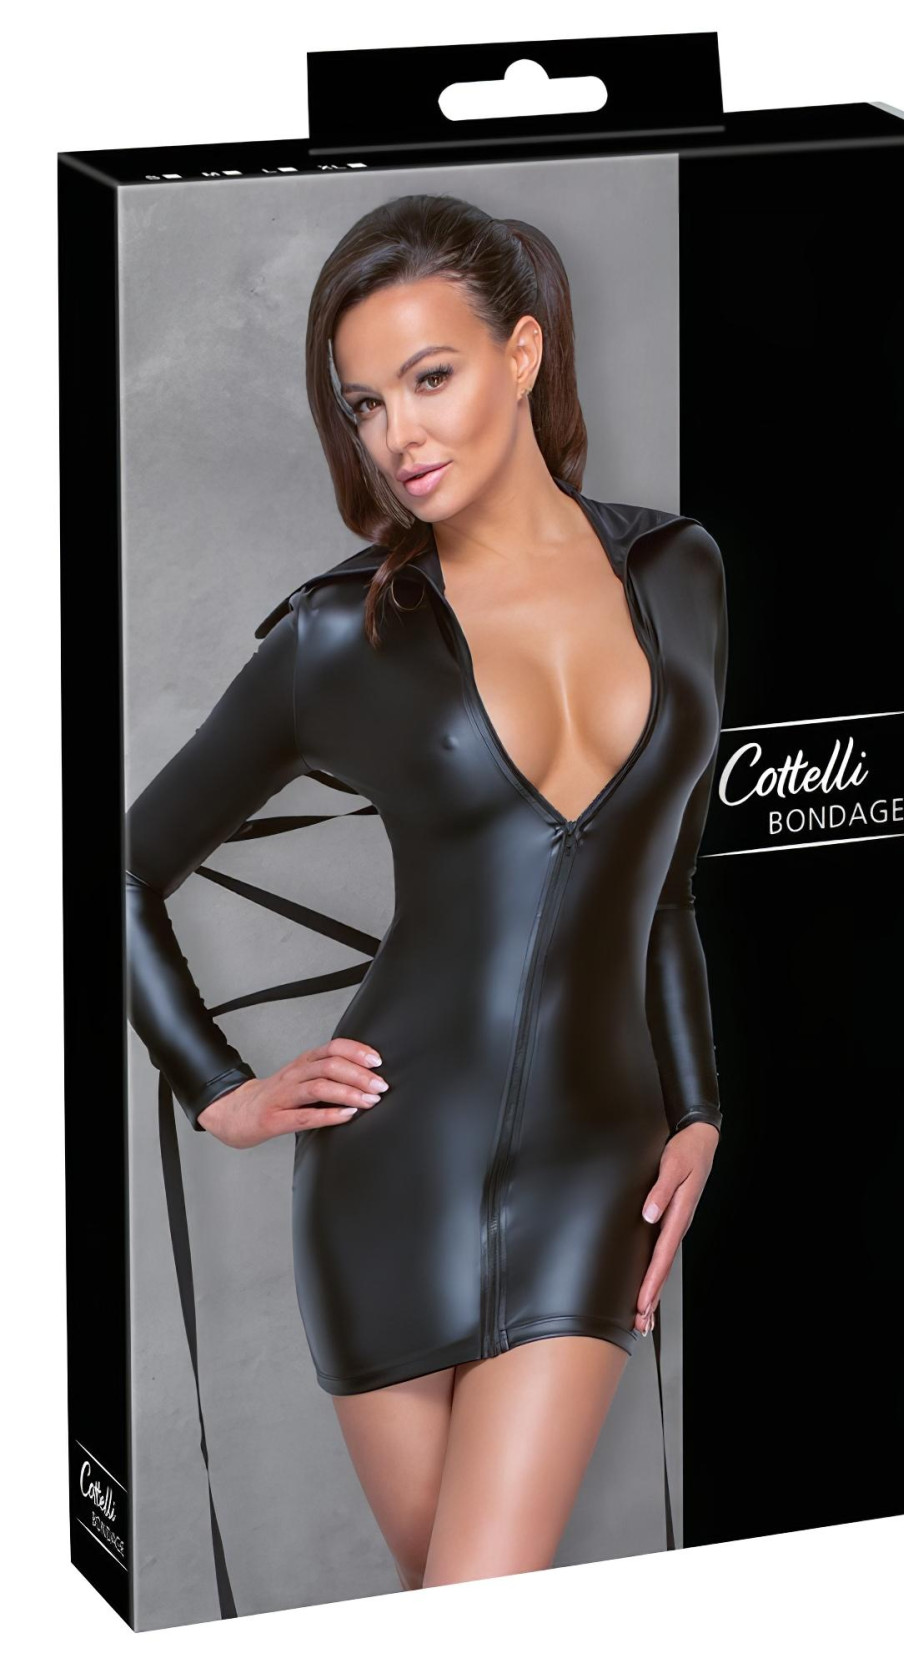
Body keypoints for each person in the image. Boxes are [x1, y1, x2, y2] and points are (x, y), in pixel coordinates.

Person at [126, 193, 728, 1590]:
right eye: (364, 404)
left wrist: (700, 1105)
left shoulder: (680, 571)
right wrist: (219, 1090)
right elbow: (117, 868)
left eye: (430, 377)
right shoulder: (342, 637)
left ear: (523, 352)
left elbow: (670, 886)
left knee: (477, 1607)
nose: (398, 434)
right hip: (390, 1176)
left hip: (594, 1172)